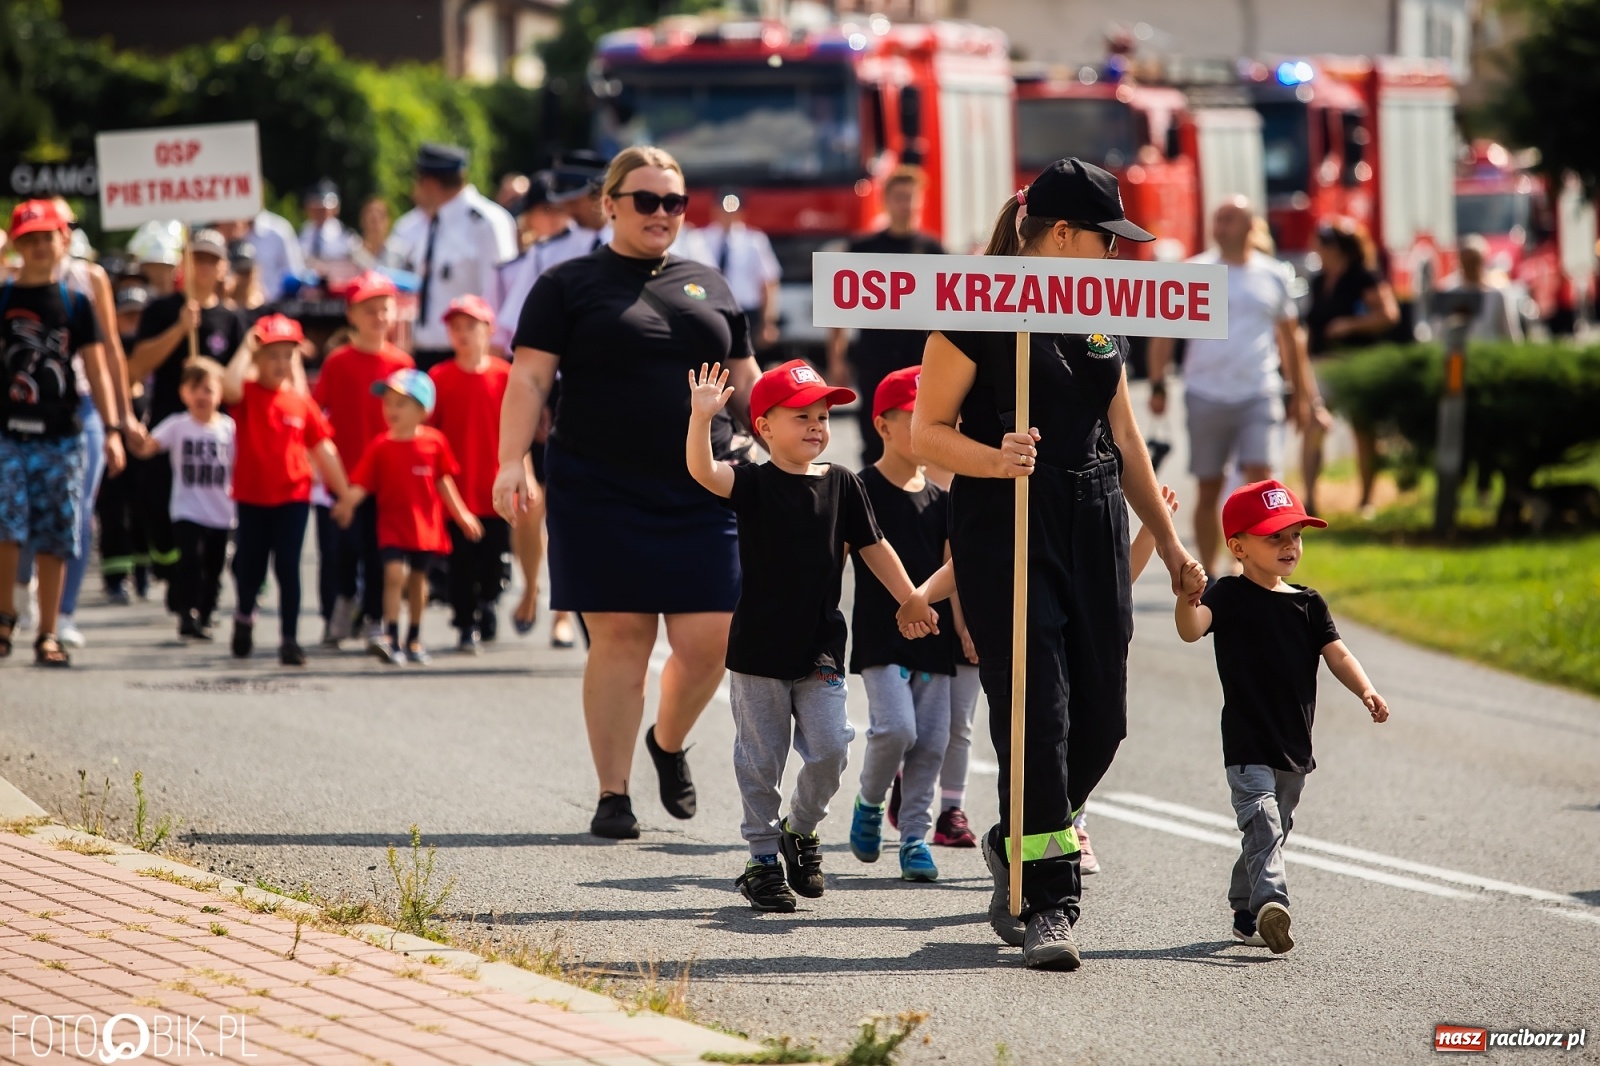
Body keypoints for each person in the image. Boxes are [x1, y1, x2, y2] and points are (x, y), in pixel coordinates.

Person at [904, 158, 1201, 970]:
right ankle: (1049, 902)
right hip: (1008, 516)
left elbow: (1129, 438)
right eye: (1107, 239)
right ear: (1061, 233)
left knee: (1103, 718)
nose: (1116, 256)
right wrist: (993, 458)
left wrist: (1171, 548)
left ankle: (1015, 836)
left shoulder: (1103, 313)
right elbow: (927, 432)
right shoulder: (972, 306)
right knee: (1039, 712)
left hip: (1094, 510)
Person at [493, 145, 761, 840]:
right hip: (599, 487)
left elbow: (747, 380)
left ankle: (666, 743)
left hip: (703, 483)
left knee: (711, 641)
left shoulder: (711, 282)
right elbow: (526, 381)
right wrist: (511, 460)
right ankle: (613, 794)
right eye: (647, 200)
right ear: (609, 204)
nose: (663, 214)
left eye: (674, 202)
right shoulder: (566, 283)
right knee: (622, 636)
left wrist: (783, 437)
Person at [686, 360, 937, 912]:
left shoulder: (843, 484)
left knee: (830, 750)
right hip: (758, 650)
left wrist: (911, 597)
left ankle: (800, 830)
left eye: (822, 416)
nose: (816, 426)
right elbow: (704, 473)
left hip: (821, 645)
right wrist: (702, 418)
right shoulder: (751, 482)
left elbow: (874, 548)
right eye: (801, 416)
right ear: (765, 427)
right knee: (761, 760)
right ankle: (761, 861)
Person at [902, 483, 1186, 877]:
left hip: (1087, 650)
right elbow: (968, 560)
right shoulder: (1018, 492)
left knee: (1100, 734)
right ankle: (1047, 845)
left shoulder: (1095, 493)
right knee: (1045, 739)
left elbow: (1120, 577)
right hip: (1037, 648)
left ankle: (1031, 831)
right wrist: (923, 593)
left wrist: (1152, 531)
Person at [1174, 479, 1389, 953]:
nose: (1290, 545)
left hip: (1294, 745)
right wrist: (1187, 597)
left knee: (1273, 829)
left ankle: (1243, 908)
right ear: (1238, 546)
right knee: (1264, 822)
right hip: (1247, 742)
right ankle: (1272, 903)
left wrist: (1366, 689)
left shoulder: (1308, 603)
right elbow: (1192, 631)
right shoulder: (1227, 595)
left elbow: (1338, 655)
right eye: (1275, 536)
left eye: (1295, 535)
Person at [1147, 198, 1305, 577]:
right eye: (1217, 218)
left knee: (1260, 481)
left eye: (1230, 219)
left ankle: (1254, 569)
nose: (1220, 226)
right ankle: (1210, 570)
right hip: (1206, 392)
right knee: (1208, 485)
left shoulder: (1273, 274)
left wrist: (1300, 393)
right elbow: (1165, 333)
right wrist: (1157, 384)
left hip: (1259, 391)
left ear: (1251, 225)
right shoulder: (1196, 271)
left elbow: (1289, 338)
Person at [841, 366, 956, 884]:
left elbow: (958, 568)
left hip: (934, 638)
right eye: (915, 419)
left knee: (932, 741)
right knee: (895, 729)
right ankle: (869, 804)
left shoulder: (941, 499)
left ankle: (914, 837)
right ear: (883, 425)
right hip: (879, 637)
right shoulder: (859, 489)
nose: (928, 429)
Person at [0, 200, 120, 667]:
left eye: (47, 237)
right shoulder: (5, 299)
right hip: (9, 431)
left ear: (63, 241)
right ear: (16, 245)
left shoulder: (77, 302)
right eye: (29, 239)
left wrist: (111, 428)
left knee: (56, 532)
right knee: (7, 522)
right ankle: (5, 615)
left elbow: (97, 369)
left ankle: (49, 631)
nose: (39, 247)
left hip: (62, 435)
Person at [222, 313, 353, 666]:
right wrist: (247, 346)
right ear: (257, 357)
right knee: (250, 568)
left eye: (287, 355)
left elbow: (324, 448)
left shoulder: (300, 402)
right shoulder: (247, 394)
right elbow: (229, 386)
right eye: (272, 354)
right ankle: (244, 616)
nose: (280, 363)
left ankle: (289, 639)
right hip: (252, 498)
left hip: (293, 498)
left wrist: (345, 493)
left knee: (289, 568)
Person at [130, 229, 248, 600]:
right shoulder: (161, 310)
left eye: (213, 259)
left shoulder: (231, 319)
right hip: (168, 431)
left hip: (212, 440)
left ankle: (194, 598)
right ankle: (172, 574)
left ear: (223, 267)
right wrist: (180, 329)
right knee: (160, 513)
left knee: (206, 530)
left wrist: (207, 368)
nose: (204, 267)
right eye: (197, 258)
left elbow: (234, 387)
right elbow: (136, 367)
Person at [335, 369, 479, 665]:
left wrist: (462, 514)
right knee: (393, 574)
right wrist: (346, 504)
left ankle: (413, 637)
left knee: (418, 581)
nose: (391, 410)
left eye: (400, 404)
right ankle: (390, 635)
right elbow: (361, 484)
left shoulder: (435, 443)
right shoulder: (381, 446)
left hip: (425, 528)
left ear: (423, 410)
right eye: (387, 403)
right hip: (392, 526)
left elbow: (444, 482)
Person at [311, 272, 414, 649]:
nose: (377, 315)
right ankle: (339, 605)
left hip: (384, 481)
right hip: (342, 478)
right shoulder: (338, 363)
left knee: (378, 552)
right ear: (351, 315)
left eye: (384, 307)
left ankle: (375, 619)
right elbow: (317, 415)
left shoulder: (402, 364)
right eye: (368, 309)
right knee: (340, 549)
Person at [825, 167, 944, 464]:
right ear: (886, 202)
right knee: (873, 434)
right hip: (874, 357)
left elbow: (947, 313)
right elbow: (838, 308)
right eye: (899, 197)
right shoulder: (862, 249)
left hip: (920, 359)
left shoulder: (933, 250)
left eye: (911, 197)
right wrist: (836, 358)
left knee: (920, 434)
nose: (906, 204)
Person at [428, 295, 516, 653]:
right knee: (460, 561)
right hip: (457, 489)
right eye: (456, 328)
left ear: (488, 330)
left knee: (493, 559)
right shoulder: (440, 377)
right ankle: (466, 623)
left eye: (471, 327)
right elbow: (430, 435)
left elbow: (516, 430)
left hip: (494, 487)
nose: (463, 334)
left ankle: (488, 602)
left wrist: (522, 470)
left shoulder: (504, 375)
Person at [125, 359, 234, 640]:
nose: (201, 396)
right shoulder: (177, 425)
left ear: (220, 394)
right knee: (191, 562)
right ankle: (188, 614)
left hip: (221, 512)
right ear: (184, 393)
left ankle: (207, 612)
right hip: (187, 509)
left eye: (208, 389)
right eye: (194, 389)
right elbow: (148, 448)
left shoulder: (229, 429)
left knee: (213, 566)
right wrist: (134, 435)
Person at [1302, 217, 1400, 517]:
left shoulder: (1363, 277)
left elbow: (1388, 315)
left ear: (1336, 248)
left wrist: (1350, 325)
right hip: (1322, 363)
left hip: (1355, 363)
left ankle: (1367, 498)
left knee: (1363, 429)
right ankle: (1309, 499)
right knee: (1313, 426)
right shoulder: (1319, 281)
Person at [396, 143, 518, 372]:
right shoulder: (430, 221)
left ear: (429, 183)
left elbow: (499, 295)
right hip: (425, 352)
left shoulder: (486, 222)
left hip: (470, 358)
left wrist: (491, 361)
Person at [701, 190, 781, 354]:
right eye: (723, 209)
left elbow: (768, 283)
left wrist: (768, 322)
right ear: (715, 210)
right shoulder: (699, 239)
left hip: (746, 313)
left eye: (733, 210)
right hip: (711, 310)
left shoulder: (754, 241)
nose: (728, 215)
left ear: (741, 212)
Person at [1437, 234, 1523, 343]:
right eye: (1466, 261)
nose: (1470, 266)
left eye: (1473, 260)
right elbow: (1439, 335)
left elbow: (1511, 334)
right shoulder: (1449, 295)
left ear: (1482, 260)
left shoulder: (1496, 295)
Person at [300, 179, 358, 266]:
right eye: (315, 207)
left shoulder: (347, 236)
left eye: (324, 208)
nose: (319, 212)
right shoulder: (300, 234)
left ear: (336, 208)